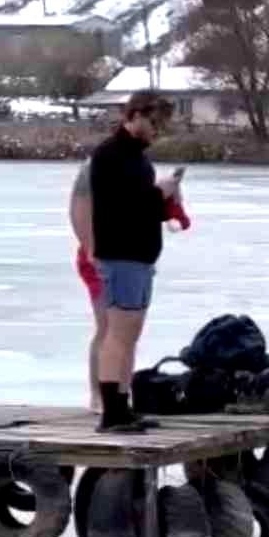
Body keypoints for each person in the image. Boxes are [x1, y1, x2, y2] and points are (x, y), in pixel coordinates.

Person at [89, 91, 183, 433]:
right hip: (121, 255)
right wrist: (160, 192)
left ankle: (122, 405)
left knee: (130, 335)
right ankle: (111, 411)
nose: (158, 130)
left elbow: (145, 209)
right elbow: (124, 206)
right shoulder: (111, 155)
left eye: (162, 125)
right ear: (136, 115)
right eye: (155, 122)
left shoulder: (138, 160)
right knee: (118, 333)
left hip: (139, 257)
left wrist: (166, 199)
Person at [68, 160, 107, 411]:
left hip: (125, 259)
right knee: (106, 326)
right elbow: (77, 211)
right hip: (98, 259)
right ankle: (96, 394)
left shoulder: (133, 163)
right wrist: (92, 250)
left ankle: (116, 392)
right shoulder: (93, 167)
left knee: (122, 332)